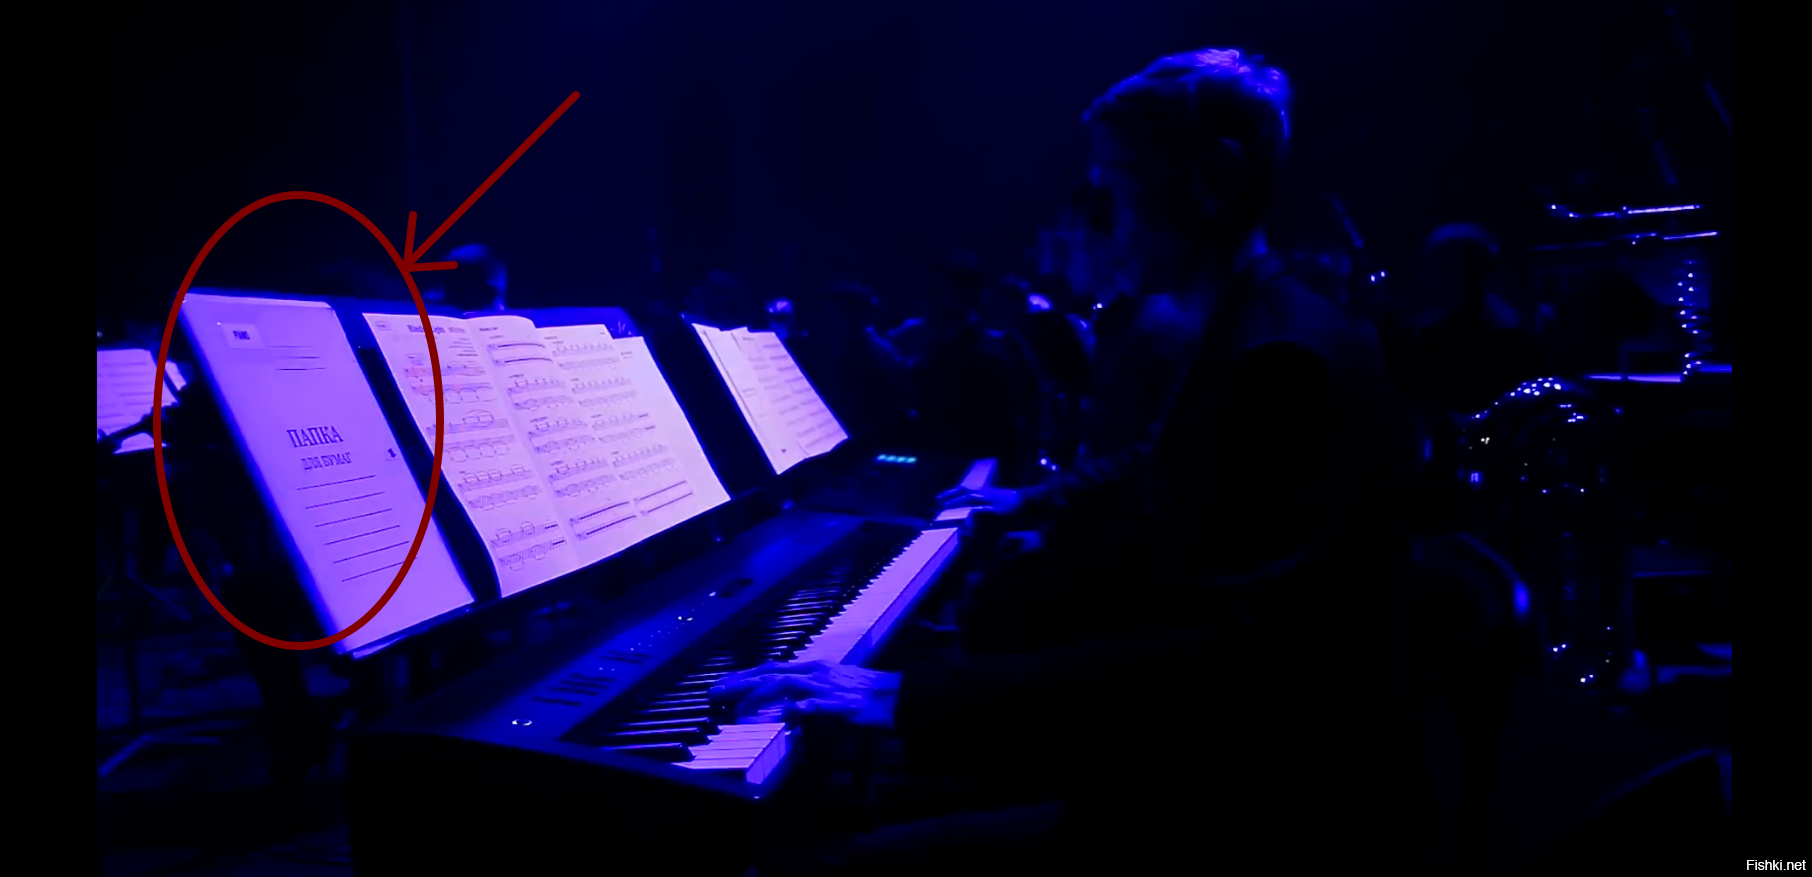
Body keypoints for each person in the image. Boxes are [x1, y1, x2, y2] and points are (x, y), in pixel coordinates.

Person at [717, 48, 1418, 871]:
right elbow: (1164, 477)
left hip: (1254, 818)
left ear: (1213, 180)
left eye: (1113, 188)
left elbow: (1229, 661)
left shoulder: (1277, 360)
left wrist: (904, 693)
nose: (1097, 218)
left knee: (814, 865)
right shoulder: (1250, 326)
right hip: (1209, 770)